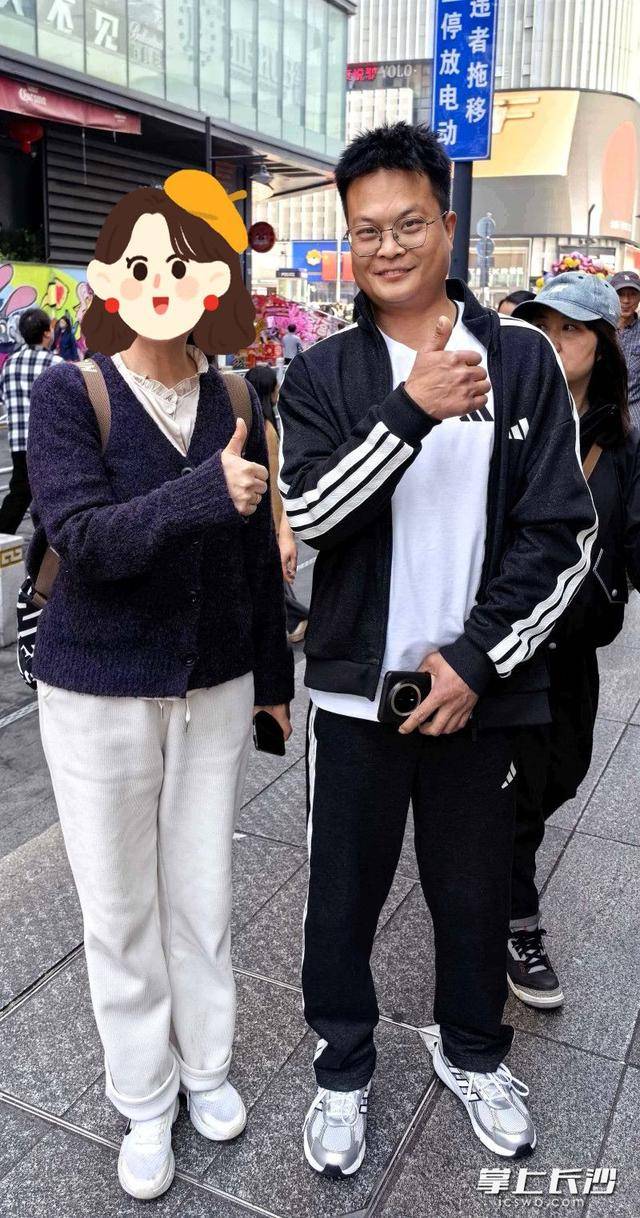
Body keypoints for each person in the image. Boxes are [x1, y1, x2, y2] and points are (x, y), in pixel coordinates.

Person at [278, 121, 596, 1174]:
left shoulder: (521, 360)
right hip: (356, 699)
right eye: (366, 229)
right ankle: (342, 1068)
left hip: (480, 694)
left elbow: (563, 531)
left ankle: (473, 1054)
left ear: (446, 227)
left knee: (471, 893)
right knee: (341, 900)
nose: (388, 246)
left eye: (408, 222)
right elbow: (314, 517)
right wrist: (407, 410)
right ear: (348, 238)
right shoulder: (320, 375)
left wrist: (478, 660)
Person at [26, 174, 294, 1201]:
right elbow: (83, 539)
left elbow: (256, 563)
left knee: (203, 893)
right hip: (97, 692)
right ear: (111, 279)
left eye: (181, 265)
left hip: (214, 687)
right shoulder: (74, 392)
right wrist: (201, 493)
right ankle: (143, 1098)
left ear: (213, 281)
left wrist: (273, 681)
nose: (161, 282)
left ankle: (207, 1067)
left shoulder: (240, 398)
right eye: (140, 264)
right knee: (119, 906)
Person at [507, 272, 640, 1007]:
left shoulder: (621, 444)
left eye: (571, 329)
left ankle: (493, 861)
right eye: (544, 327)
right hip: (512, 642)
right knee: (523, 790)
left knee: (565, 771)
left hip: (577, 645)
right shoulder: (509, 421)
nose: (555, 342)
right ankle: (516, 924)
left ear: (602, 345)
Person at [245, 363, 309, 643]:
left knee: (269, 578)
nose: (279, 391)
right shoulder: (266, 428)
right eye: (275, 386)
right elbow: (273, 481)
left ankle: (296, 619)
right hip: (263, 514)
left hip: (259, 515)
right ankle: (296, 619)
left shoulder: (255, 426)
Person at [0, 308, 61, 536]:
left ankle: (4, 535)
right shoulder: (56, 363)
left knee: (19, 492)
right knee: (55, 495)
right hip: (49, 442)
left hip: (19, 442)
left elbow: (4, 395)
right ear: (46, 333)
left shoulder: (10, 364)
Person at [610, 270, 640, 428]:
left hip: (634, 409)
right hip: (602, 409)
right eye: (620, 294)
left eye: (632, 294)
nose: (626, 300)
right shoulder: (600, 330)